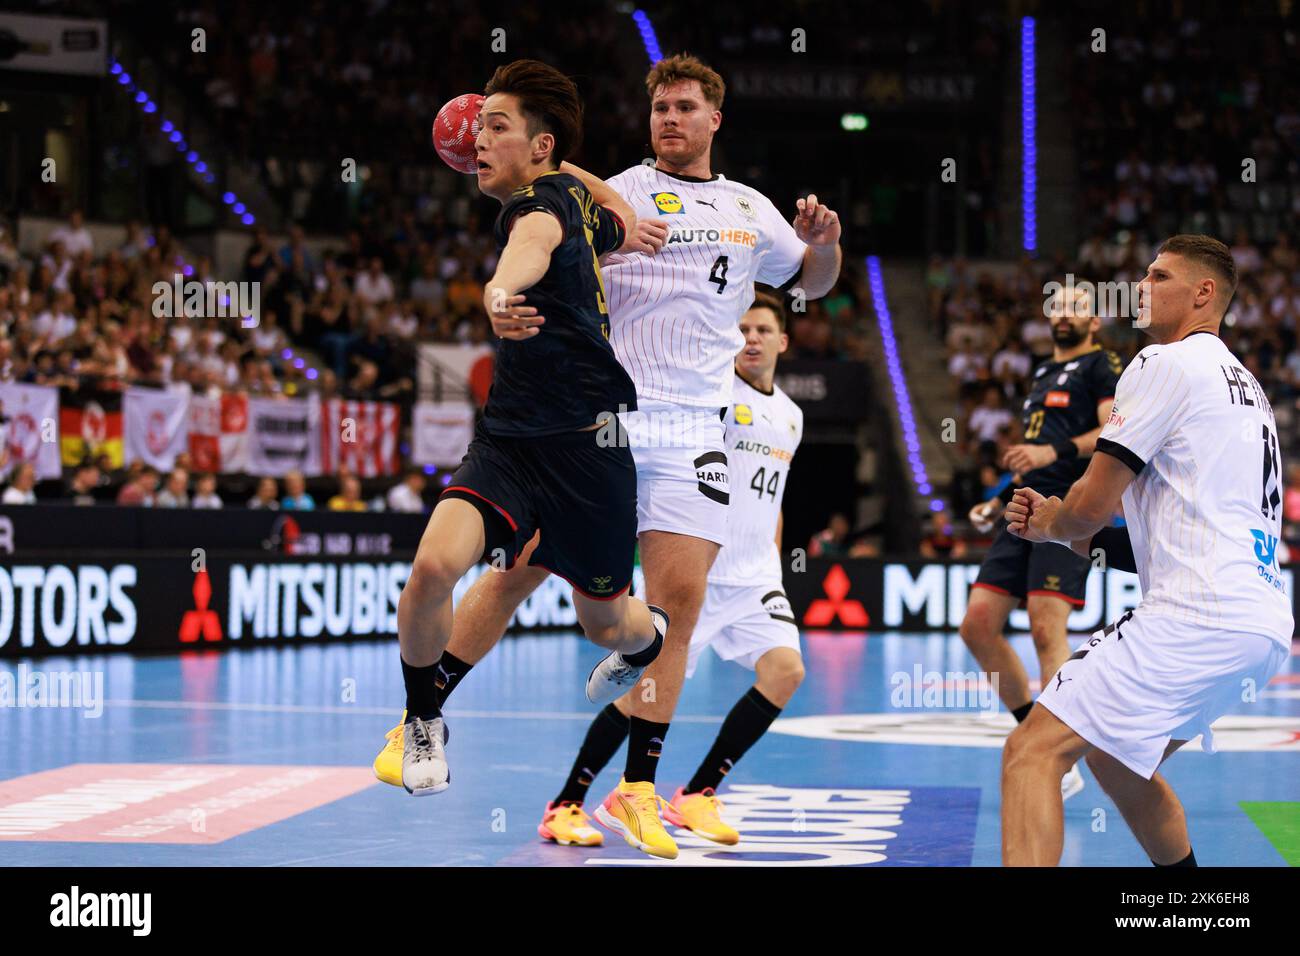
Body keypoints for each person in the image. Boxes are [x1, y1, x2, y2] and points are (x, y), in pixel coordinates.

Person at [374, 53, 841, 859]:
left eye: (686, 106)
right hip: (605, 419)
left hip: (697, 427)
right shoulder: (615, 193)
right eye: (659, 106)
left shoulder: (750, 209)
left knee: (679, 601)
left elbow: (815, 282)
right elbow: (550, 191)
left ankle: (637, 791)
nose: (670, 118)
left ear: (714, 119)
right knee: (517, 571)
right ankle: (423, 712)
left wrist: (823, 244)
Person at [391, 59, 665, 803]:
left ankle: (651, 642)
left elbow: (526, 249)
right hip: (510, 439)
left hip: (592, 450)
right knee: (431, 570)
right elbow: (612, 218)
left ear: (540, 148)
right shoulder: (575, 202)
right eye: (477, 127)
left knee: (608, 626)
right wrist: (549, 153)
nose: (477, 140)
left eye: (496, 128)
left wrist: (500, 288)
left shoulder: (541, 208)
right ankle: (423, 718)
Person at [1002, 235, 1291, 866]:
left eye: (1158, 276)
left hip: (1195, 617)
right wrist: (1077, 532)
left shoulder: (1162, 365)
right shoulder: (1251, 392)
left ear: (1203, 293)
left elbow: (1092, 504)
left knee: (1031, 751)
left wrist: (1055, 522)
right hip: (1260, 629)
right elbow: (1160, 532)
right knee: (1114, 756)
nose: (1141, 288)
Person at [537, 292, 805, 848]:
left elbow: (771, 496)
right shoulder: (713, 397)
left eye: (763, 330)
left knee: (785, 671)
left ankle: (697, 793)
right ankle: (566, 804)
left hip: (756, 575)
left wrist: (773, 559)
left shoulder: (792, 414)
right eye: (744, 329)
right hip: (701, 570)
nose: (751, 338)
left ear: (783, 341)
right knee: (645, 693)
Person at [961, 284, 1122, 801]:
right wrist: (996, 500)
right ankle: (1034, 725)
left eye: (1077, 307)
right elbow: (1032, 457)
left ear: (1094, 321)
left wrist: (1049, 454)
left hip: (1067, 511)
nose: (1064, 315)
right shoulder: (1040, 373)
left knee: (1045, 625)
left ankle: (1059, 753)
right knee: (977, 626)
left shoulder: (1102, 366)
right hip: (1022, 507)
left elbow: (1110, 432)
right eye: (1056, 306)